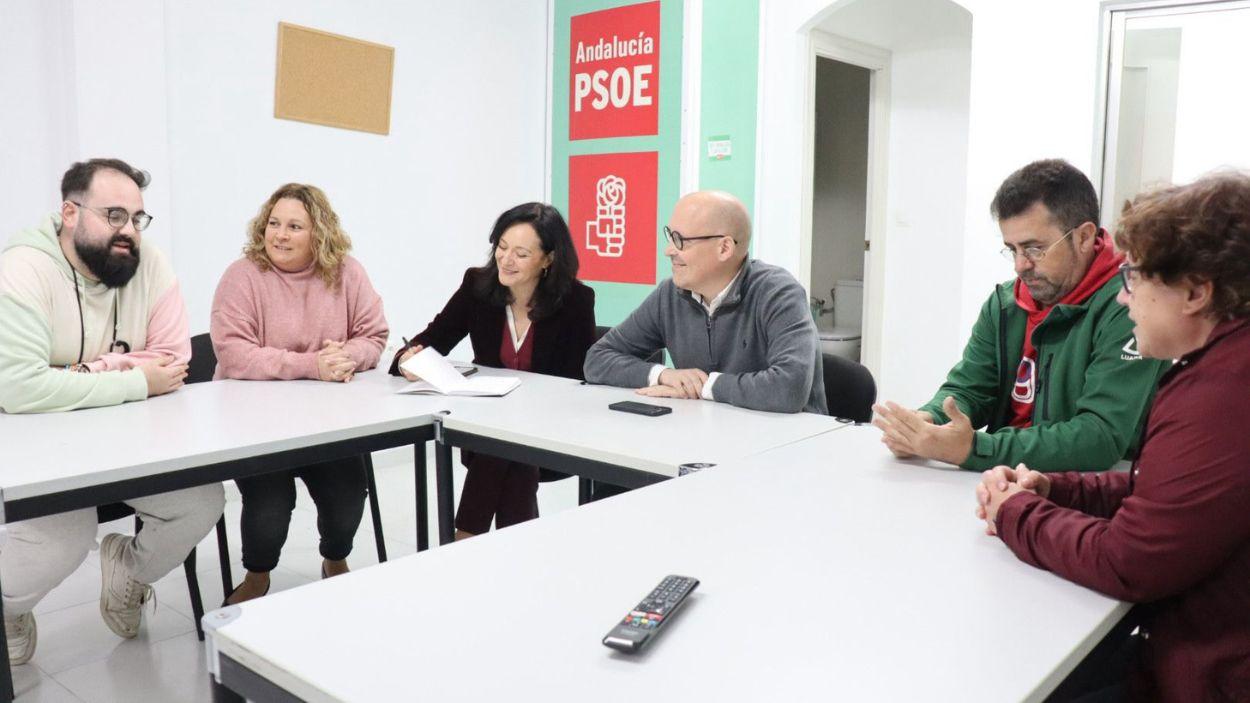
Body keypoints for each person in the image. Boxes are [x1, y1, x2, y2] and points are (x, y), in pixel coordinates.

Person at [976, 172, 1250, 701]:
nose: (1124, 301)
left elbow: (1129, 563)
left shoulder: (1222, 397)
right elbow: (1165, 495)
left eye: (1135, 280)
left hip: (1203, 675)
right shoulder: (1219, 370)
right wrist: (1058, 491)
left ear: (1195, 292)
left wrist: (1015, 514)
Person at [0, 158, 225, 664]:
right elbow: (18, 387)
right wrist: (134, 378)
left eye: (137, 218)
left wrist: (87, 371)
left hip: (133, 441)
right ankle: (10, 607)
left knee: (201, 501)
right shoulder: (22, 269)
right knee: (63, 537)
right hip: (43, 448)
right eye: (114, 215)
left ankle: (129, 569)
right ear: (70, 213)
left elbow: (174, 360)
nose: (128, 232)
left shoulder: (152, 264)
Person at [873, 159, 1167, 471]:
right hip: (1000, 480)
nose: (1020, 265)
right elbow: (970, 389)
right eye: (1012, 249)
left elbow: (1099, 438)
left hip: (1088, 490)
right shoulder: (1004, 304)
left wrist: (975, 448)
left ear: (1083, 237)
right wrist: (928, 422)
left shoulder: (1131, 308)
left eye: (1034, 249)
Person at [211, 183, 388, 604]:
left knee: (348, 490)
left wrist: (348, 356)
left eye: (294, 226)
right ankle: (257, 576)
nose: (280, 235)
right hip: (256, 424)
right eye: (273, 223)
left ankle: (335, 558)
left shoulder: (346, 272)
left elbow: (374, 335)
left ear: (319, 234)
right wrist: (313, 365)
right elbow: (233, 354)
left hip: (326, 421)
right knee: (270, 504)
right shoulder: (243, 275)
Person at [390, 202, 595, 540]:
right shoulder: (478, 287)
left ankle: (465, 538)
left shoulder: (576, 300)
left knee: (509, 448)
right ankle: (511, 549)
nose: (506, 259)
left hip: (551, 432)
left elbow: (580, 379)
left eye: (521, 253)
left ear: (548, 259)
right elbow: (430, 340)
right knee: (505, 449)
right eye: (501, 247)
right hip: (486, 428)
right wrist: (407, 360)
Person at [584, 190, 826, 415]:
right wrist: (664, 375)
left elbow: (789, 388)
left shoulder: (778, 293)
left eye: (681, 240)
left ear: (724, 248)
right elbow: (597, 359)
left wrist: (704, 386)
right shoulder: (670, 294)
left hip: (788, 445)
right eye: (670, 237)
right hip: (705, 433)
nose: (669, 250)